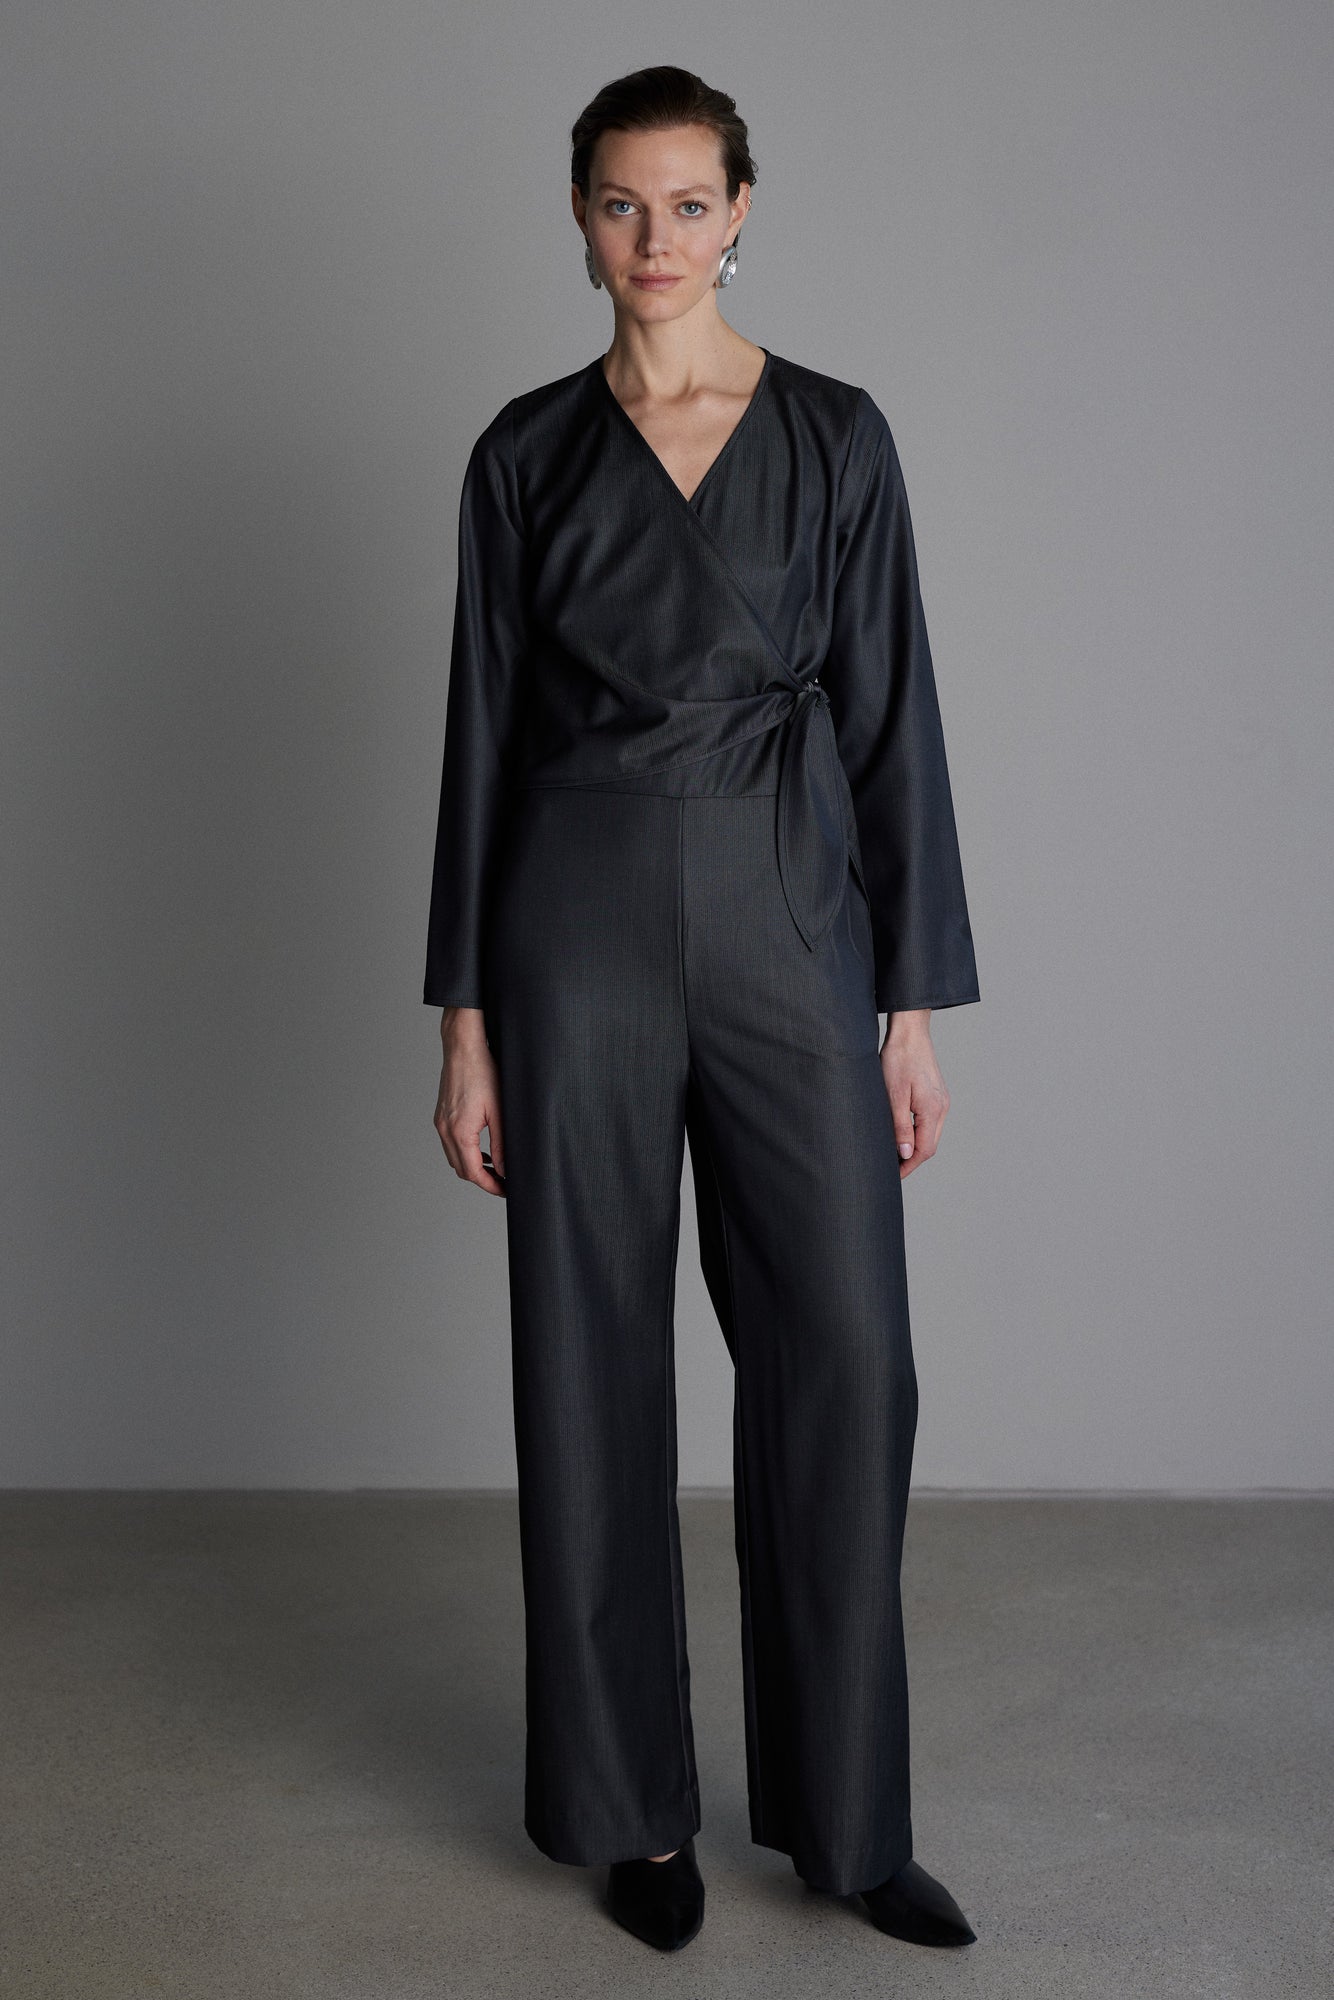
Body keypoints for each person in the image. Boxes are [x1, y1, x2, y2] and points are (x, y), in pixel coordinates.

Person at [425, 64, 981, 1955]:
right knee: (587, 1363)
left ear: (741, 212)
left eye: (685, 203)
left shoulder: (834, 436)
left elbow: (894, 716)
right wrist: (465, 1023)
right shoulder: (524, 454)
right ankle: (629, 1816)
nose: (652, 239)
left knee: (845, 1356)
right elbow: (480, 740)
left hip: (788, 914)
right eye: (618, 203)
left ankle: (848, 1819)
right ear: (579, 219)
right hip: (571, 920)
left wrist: (909, 1003)